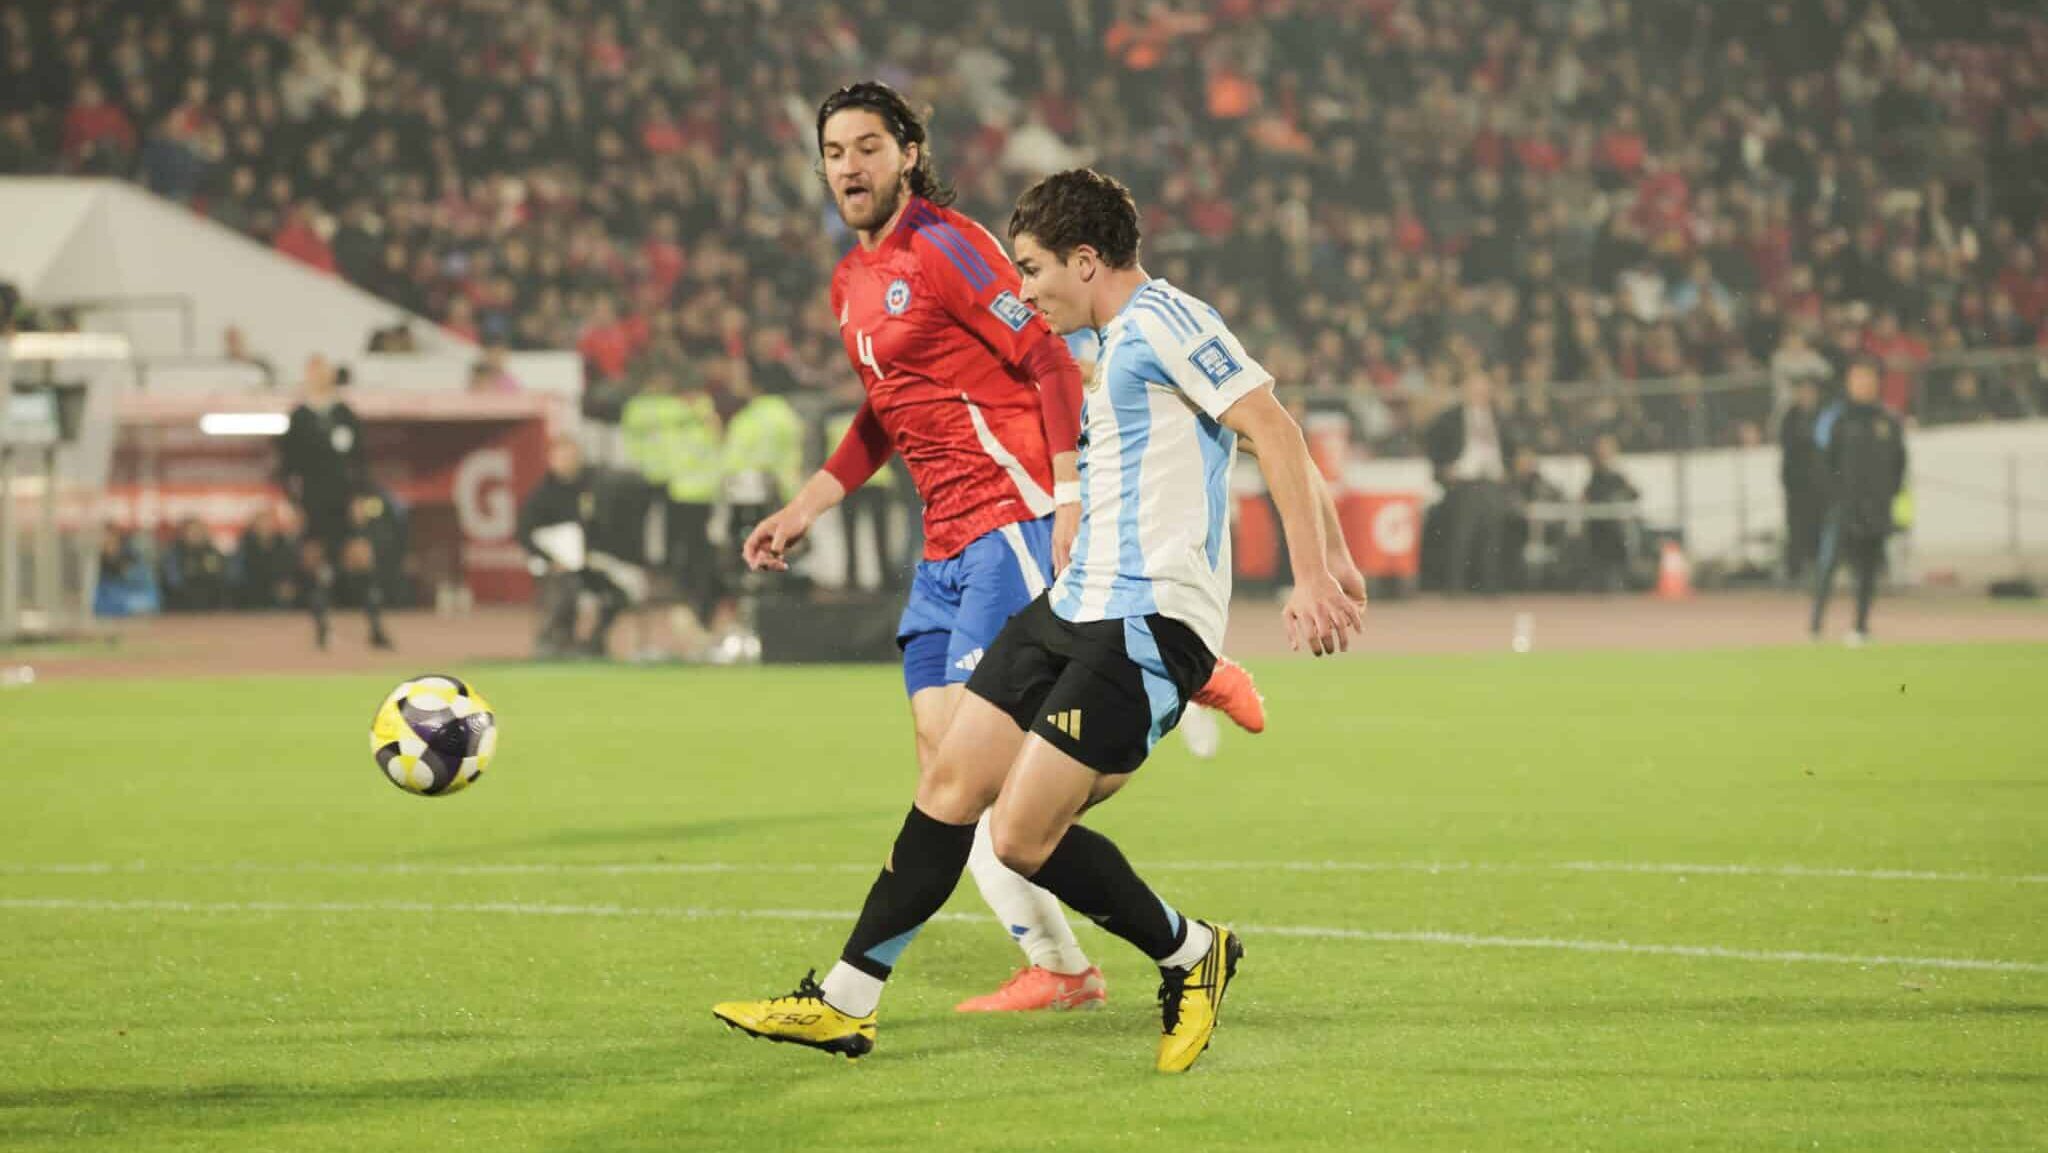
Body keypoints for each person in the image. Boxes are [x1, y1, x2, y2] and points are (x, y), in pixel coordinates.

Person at [714, 168, 1365, 1073]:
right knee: (950, 785)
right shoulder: (1116, 341)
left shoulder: (1168, 322)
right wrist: (1335, 554)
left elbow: (1276, 427)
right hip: (1072, 604)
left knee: (1021, 837)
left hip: (1144, 619)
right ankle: (844, 1002)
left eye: (1032, 270)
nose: (1023, 292)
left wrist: (1311, 575)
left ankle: (1190, 952)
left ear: (1087, 261)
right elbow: (1265, 434)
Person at [278, 355, 389, 648]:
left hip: (345, 501)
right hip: (313, 503)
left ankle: (376, 629)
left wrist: (361, 498)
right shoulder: (299, 417)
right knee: (315, 564)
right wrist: (294, 504)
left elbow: (361, 462)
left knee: (361, 560)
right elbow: (286, 467)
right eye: (314, 370)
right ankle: (322, 630)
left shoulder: (345, 414)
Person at [1810, 356, 1907, 645]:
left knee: (1867, 570)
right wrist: (1836, 496)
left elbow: (1899, 463)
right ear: (1849, 381)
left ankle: (1860, 627)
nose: (1863, 384)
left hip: (1876, 508)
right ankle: (1816, 625)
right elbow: (1822, 461)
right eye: (1858, 378)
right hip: (1843, 507)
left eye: (1868, 378)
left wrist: (1888, 496)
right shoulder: (1835, 419)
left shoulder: (1888, 420)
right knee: (1828, 565)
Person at [518, 437, 628, 657]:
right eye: (563, 457)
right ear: (552, 460)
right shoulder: (541, 496)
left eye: (572, 457)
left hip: (587, 563)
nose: (568, 462)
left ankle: (593, 642)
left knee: (617, 594)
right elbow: (523, 533)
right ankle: (554, 642)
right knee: (566, 589)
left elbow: (601, 527)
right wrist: (551, 560)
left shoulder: (591, 490)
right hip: (554, 567)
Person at [1425, 370, 1517, 595]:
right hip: (1463, 482)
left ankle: (1490, 585)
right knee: (1461, 535)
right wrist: (1445, 469)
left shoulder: (1500, 417)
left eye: (1483, 389)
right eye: (1474, 389)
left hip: (1493, 480)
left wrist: (1509, 469)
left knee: (1493, 535)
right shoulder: (1449, 418)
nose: (1479, 394)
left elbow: (1513, 448)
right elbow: (1433, 447)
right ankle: (1455, 586)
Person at [1779, 377, 1825, 581]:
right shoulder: (1789, 418)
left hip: (1819, 484)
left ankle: (1819, 566)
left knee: (1819, 526)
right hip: (1797, 484)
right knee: (1796, 528)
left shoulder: (1824, 417)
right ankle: (1796, 571)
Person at [1581, 434, 1641, 591]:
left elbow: (1634, 494)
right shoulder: (1594, 474)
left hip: (1617, 530)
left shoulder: (1618, 476)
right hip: (1600, 528)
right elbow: (1590, 496)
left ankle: (1623, 580)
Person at [159, 517, 230, 612]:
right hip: (183, 605)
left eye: (198, 531)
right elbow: (173, 581)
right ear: (183, 533)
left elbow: (222, 576)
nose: (195, 534)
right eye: (191, 531)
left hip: (212, 604)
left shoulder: (212, 552)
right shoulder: (175, 553)